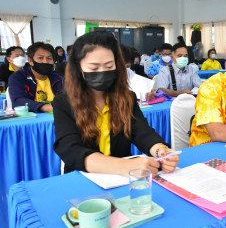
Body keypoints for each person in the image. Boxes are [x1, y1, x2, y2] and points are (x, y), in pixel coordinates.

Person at [52, 31, 179, 175]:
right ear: (78, 68)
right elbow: (70, 149)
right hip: (83, 179)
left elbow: (141, 132)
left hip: (121, 181)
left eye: (109, 66)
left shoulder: (127, 97)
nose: (102, 72)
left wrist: (159, 150)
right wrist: (123, 166)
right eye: (94, 68)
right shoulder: (63, 103)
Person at [8, 42, 63, 112]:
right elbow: (18, 101)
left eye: (49, 58)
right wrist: (46, 107)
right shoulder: (18, 77)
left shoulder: (58, 78)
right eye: (40, 58)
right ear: (30, 61)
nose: (45, 61)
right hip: (31, 120)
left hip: (57, 116)